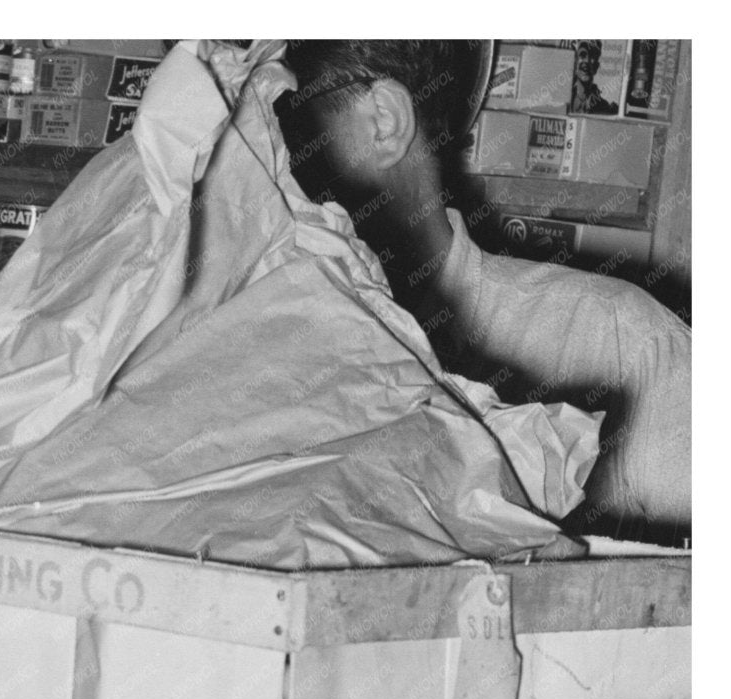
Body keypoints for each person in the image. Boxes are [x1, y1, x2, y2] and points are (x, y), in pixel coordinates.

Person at [278, 38, 691, 538]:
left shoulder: (618, 340)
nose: (249, 165)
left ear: (383, 121)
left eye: (280, 119)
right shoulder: (257, 353)